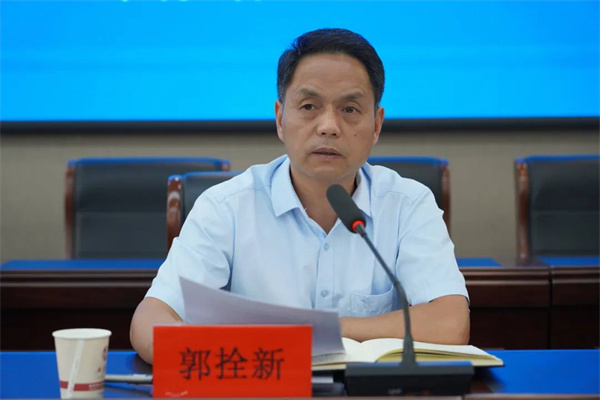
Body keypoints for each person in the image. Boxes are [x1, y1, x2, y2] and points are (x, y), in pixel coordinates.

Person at [130, 28, 469, 364]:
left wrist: (317, 332)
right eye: (309, 106)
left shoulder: (408, 205)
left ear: (377, 125)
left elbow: (450, 323)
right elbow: (151, 319)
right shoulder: (226, 208)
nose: (329, 126)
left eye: (350, 109)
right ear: (280, 118)